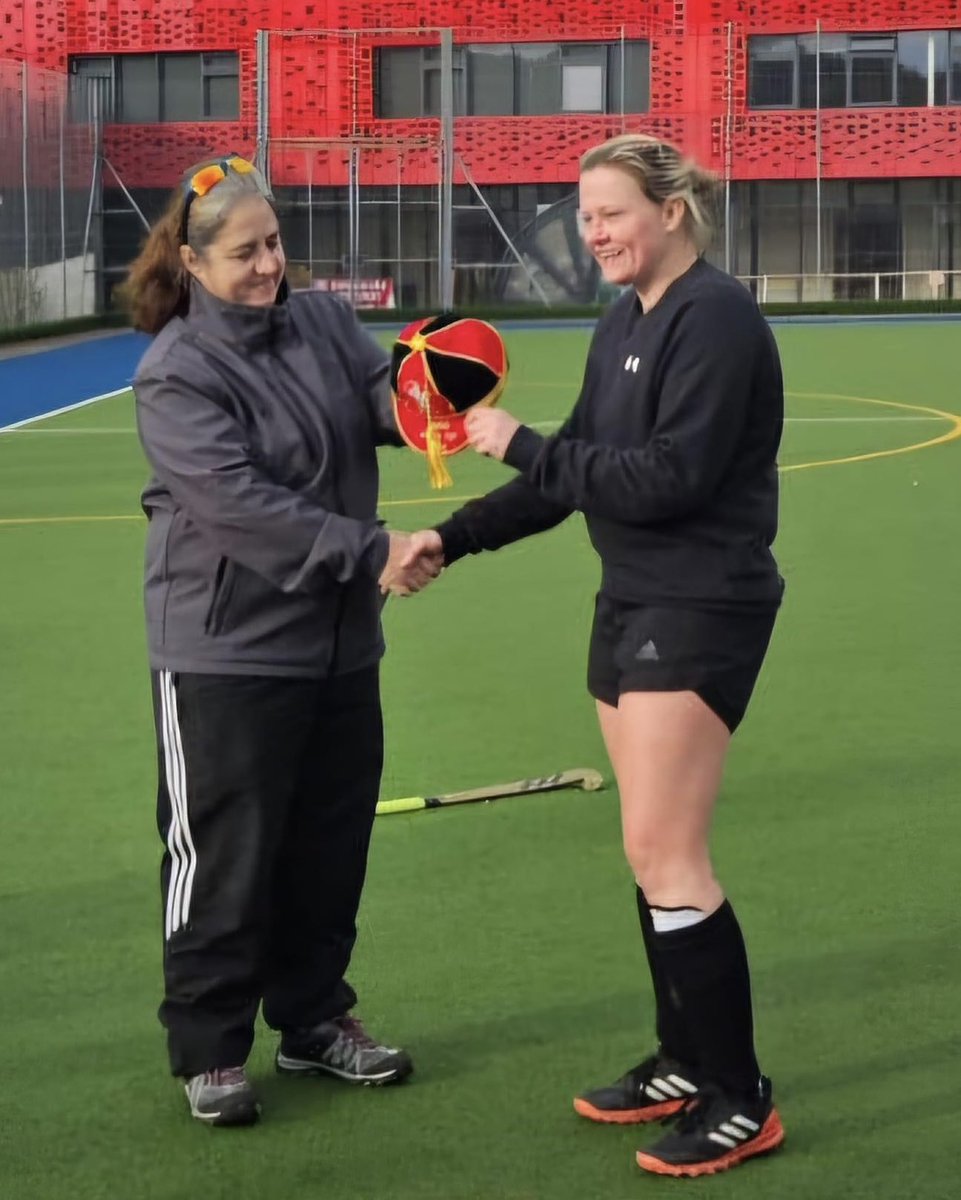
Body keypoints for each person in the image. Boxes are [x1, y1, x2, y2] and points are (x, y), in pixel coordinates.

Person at [397, 133, 786, 1177]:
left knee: (671, 852)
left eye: (609, 211)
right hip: (631, 600)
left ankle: (739, 1097)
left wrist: (522, 441)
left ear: (670, 210)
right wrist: (453, 535)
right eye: (584, 215)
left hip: (700, 601)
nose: (593, 232)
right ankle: (684, 1058)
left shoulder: (717, 318)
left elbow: (665, 478)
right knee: (645, 850)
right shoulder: (626, 318)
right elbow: (575, 470)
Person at [125, 154, 441, 1126]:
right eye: (245, 252)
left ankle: (311, 1020)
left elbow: (376, 400)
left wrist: (431, 390)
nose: (269, 266)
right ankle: (210, 1049)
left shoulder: (321, 319)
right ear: (191, 259)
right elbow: (239, 508)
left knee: (328, 847)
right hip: (225, 651)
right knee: (223, 854)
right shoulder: (174, 372)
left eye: (275, 244)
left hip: (340, 643)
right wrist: (370, 549)